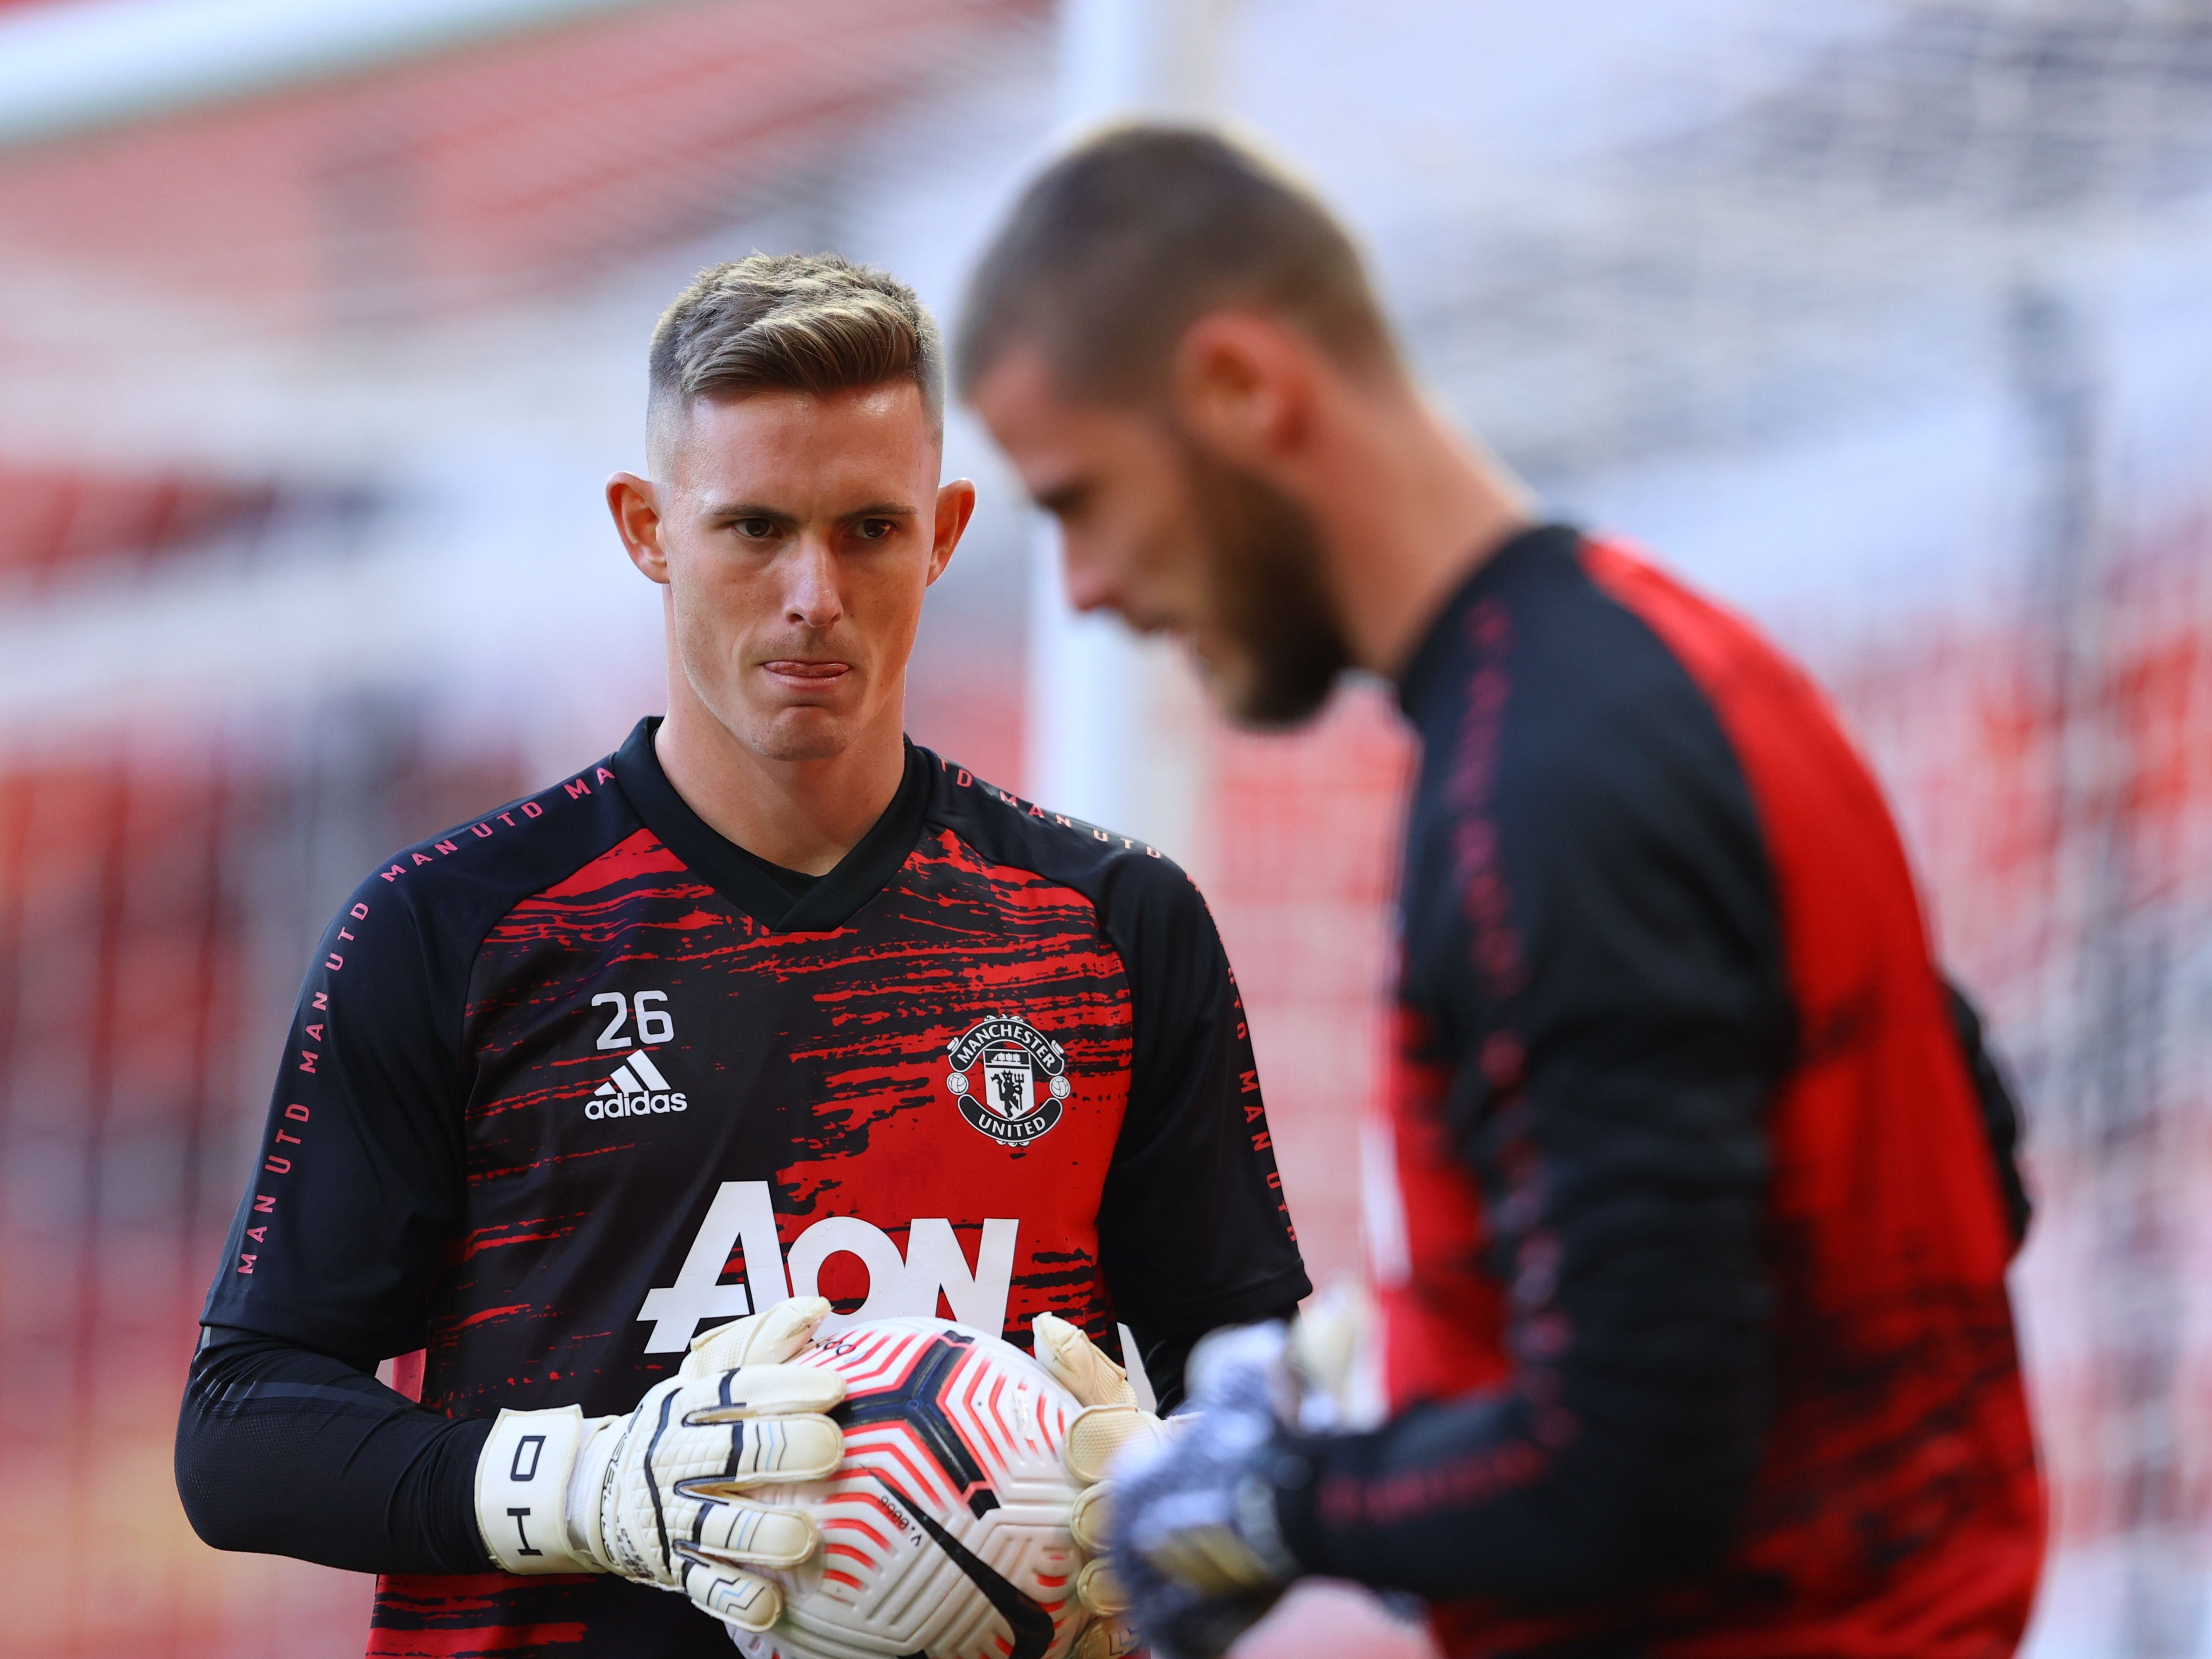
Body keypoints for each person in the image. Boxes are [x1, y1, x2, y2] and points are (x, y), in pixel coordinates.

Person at [957, 127, 2043, 1659]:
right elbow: (1957, 1161)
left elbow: (1629, 1467)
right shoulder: (1689, 666)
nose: (1081, 589)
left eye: (1076, 500)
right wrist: (1399, 1382)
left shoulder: (1545, 791)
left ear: (1239, 392)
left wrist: (1282, 1501)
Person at [176, 252, 1308, 1659]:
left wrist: (1164, 1516)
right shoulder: (458, 929)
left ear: (947, 530)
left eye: (870, 530)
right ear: (646, 528)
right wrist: (588, 1488)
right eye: (755, 528)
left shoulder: (1111, 924)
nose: (814, 594)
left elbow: (1263, 1409)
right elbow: (241, 1429)